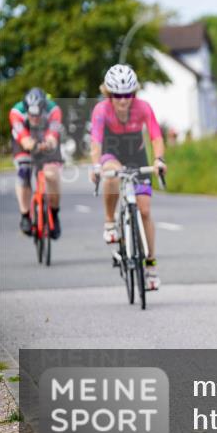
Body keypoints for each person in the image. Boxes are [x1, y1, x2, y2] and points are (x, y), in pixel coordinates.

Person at [88, 64, 167, 291]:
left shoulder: (143, 108)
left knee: (144, 211)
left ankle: (150, 264)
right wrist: (95, 165)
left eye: (128, 94)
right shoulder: (101, 110)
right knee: (111, 175)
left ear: (135, 93)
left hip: (137, 155)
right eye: (118, 95)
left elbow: (156, 136)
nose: (123, 100)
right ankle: (110, 221)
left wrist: (159, 160)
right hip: (112, 152)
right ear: (109, 94)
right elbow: (95, 141)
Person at [9, 88, 64, 238]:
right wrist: (31, 145)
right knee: (24, 171)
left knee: (52, 174)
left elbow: (53, 135)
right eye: (31, 115)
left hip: (45, 137)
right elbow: (24, 140)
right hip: (24, 139)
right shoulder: (16, 112)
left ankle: (54, 212)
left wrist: (49, 143)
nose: (34, 118)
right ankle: (25, 215)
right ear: (26, 109)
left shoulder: (53, 110)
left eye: (37, 114)